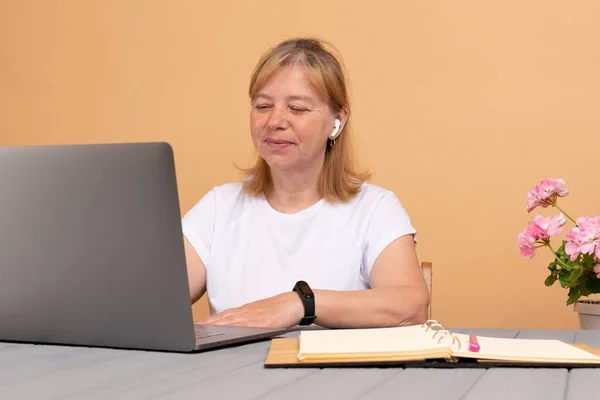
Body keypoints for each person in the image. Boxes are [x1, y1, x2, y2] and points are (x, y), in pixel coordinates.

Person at [181, 37, 429, 329]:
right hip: (231, 374)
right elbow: (154, 299)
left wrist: (299, 304)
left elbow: (412, 308)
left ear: (337, 121)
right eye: (263, 106)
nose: (275, 121)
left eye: (297, 109)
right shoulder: (218, 207)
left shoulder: (375, 208)